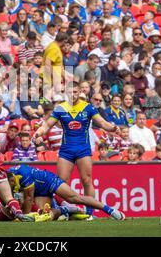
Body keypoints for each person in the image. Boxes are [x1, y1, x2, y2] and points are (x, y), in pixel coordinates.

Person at [33, 81, 120, 219]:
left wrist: (113, 128)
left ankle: (89, 214)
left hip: (83, 149)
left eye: (75, 91)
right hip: (66, 150)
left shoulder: (88, 107)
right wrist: (39, 133)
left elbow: (102, 123)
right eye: (70, 91)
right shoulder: (60, 108)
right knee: (61, 182)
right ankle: (63, 210)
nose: (72, 94)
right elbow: (47, 125)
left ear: (80, 92)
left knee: (86, 180)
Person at [7, 165, 125, 221]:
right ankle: (67, 211)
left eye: (10, 185)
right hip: (39, 190)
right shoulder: (8, 177)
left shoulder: (22, 175)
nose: (9, 187)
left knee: (75, 198)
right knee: (45, 215)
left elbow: (28, 198)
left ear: (12, 179)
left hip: (49, 180)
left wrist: (23, 217)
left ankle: (111, 211)